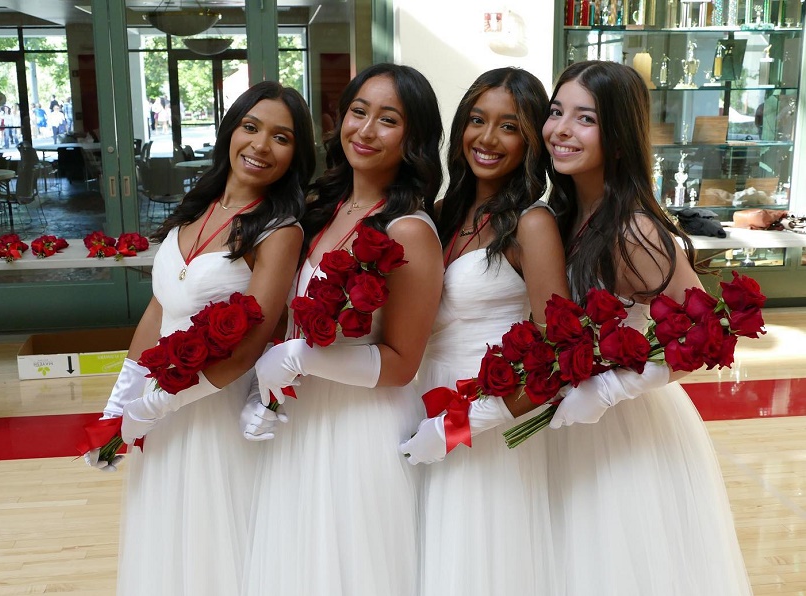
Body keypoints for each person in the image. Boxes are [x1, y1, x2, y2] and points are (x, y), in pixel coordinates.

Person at [83, 81, 316, 595]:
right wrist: (118, 403)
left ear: (296, 154)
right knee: (165, 536)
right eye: (251, 127)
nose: (259, 145)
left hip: (214, 409)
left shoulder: (280, 230)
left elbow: (253, 340)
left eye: (281, 137)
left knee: (217, 545)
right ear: (230, 130)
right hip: (159, 407)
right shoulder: (196, 210)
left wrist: (160, 404)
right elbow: (158, 311)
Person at [541, 61, 752, 595]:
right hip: (574, 423)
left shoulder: (633, 227)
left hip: (628, 431)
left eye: (584, 118)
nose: (561, 129)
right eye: (556, 111)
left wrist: (611, 388)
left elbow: (710, 335)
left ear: (617, 136)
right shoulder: (564, 213)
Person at [245, 63, 445, 596]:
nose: (365, 130)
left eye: (388, 120)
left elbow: (403, 362)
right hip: (303, 421)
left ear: (414, 139)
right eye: (358, 112)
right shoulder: (320, 206)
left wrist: (300, 358)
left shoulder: (409, 231)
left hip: (361, 429)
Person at [397, 67, 569, 594]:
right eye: (477, 120)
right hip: (419, 400)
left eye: (509, 126)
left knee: (478, 568)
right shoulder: (441, 213)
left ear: (532, 139)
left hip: (485, 421)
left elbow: (559, 357)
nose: (487, 139)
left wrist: (457, 427)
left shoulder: (531, 224)